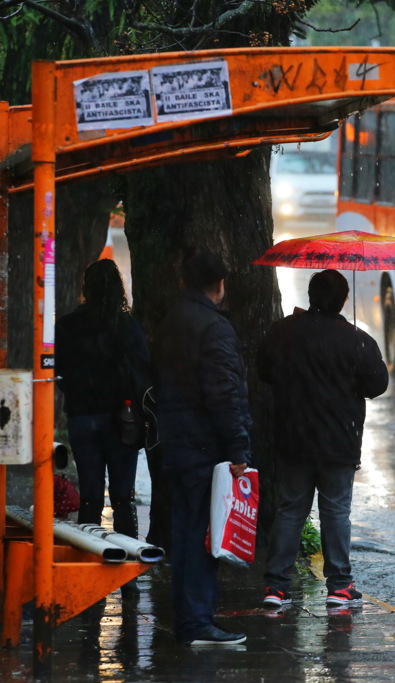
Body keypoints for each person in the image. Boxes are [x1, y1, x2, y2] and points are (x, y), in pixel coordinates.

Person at [257, 269, 389, 610]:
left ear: (311, 295)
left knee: (290, 510)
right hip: (338, 443)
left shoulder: (284, 332)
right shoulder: (355, 339)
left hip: (293, 439)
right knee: (335, 512)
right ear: (344, 300)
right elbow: (377, 386)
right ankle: (340, 587)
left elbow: (265, 371)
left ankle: (276, 586)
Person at [152, 249, 251, 646]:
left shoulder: (172, 320)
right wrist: (239, 450)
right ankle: (196, 623)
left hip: (176, 442)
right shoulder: (213, 328)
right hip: (204, 448)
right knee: (201, 538)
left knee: (186, 534)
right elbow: (224, 394)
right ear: (221, 286)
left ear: (183, 282)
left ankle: (189, 619)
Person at [54, 259, 148, 543]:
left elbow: (56, 369)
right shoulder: (127, 326)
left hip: (82, 417)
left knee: (90, 497)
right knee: (122, 497)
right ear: (118, 289)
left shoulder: (67, 326)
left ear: (87, 289)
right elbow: (142, 369)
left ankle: (86, 555)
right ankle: (128, 567)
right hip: (122, 419)